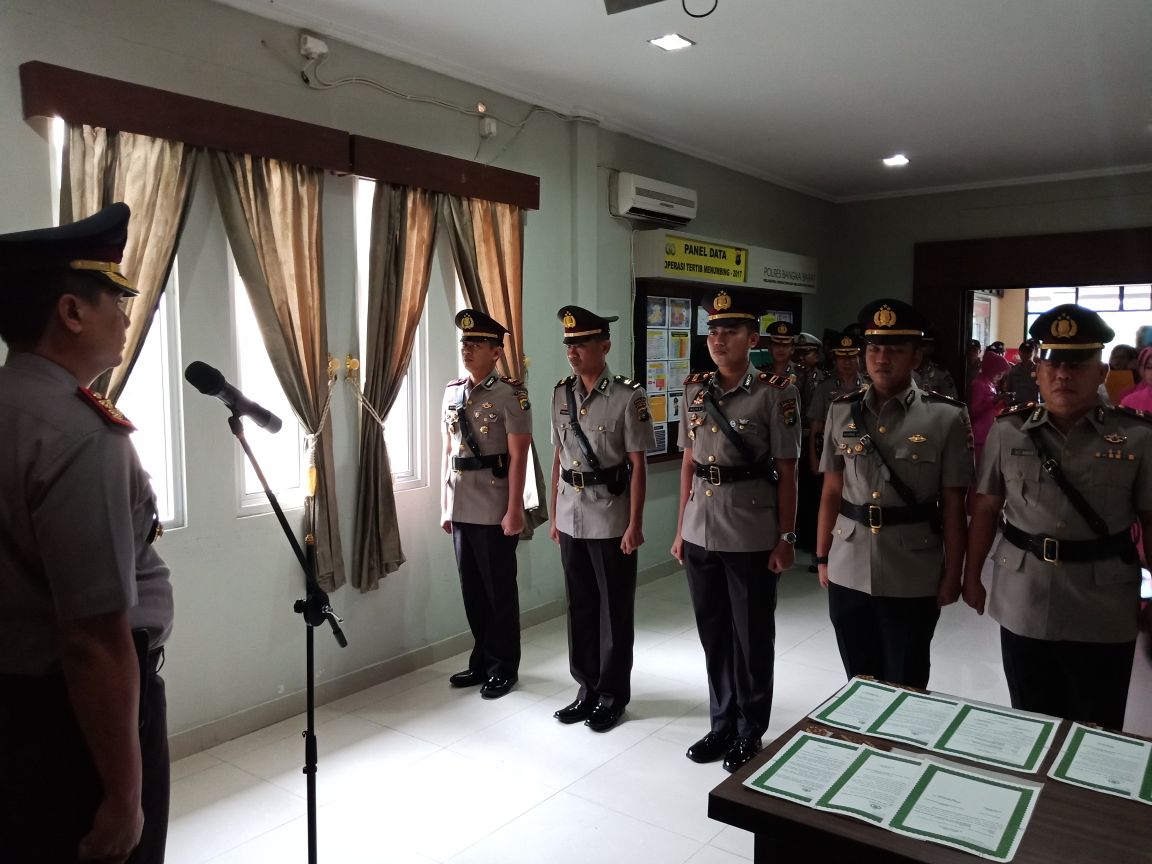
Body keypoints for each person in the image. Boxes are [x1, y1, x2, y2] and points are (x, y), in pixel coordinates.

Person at [0, 203, 173, 864]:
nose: (127, 316)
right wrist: (124, 797)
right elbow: (93, 639)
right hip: (75, 725)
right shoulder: (80, 435)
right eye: (117, 299)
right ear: (71, 312)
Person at [964, 305, 1152, 729]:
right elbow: (987, 507)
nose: (1063, 374)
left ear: (1101, 371)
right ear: (1038, 371)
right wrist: (971, 576)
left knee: (1097, 729)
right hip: (1024, 598)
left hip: (1104, 606)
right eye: (1053, 364)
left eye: (1077, 364)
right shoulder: (1008, 431)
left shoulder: (1138, 437)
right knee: (1031, 721)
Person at [671, 290, 800, 772]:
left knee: (751, 636)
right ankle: (721, 722)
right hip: (700, 528)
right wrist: (681, 528)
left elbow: (788, 471)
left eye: (730, 331)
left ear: (752, 339)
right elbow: (689, 463)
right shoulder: (695, 389)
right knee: (714, 633)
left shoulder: (775, 392)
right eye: (713, 332)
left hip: (750, 531)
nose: (719, 340)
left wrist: (786, 537)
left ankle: (750, 728)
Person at [815, 299, 973, 689]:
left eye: (894, 349)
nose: (881, 358)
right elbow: (832, 490)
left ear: (916, 356)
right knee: (857, 679)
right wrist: (822, 556)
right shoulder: (841, 411)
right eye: (874, 348)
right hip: (849, 562)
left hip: (913, 569)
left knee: (907, 678)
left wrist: (954, 572)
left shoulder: (946, 417)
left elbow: (954, 505)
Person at [549, 306, 653, 732]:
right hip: (570, 514)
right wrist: (554, 516)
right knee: (579, 605)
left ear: (604, 346)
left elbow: (638, 465)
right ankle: (586, 687)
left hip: (610, 517)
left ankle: (612, 694)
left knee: (613, 609)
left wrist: (635, 523)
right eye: (568, 344)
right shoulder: (561, 393)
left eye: (581, 343)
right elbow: (558, 456)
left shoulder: (629, 396)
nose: (572, 352)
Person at [441, 309, 532, 699]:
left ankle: (503, 667)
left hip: (495, 507)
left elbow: (519, 456)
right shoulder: (452, 392)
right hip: (461, 505)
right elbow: (447, 452)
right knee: (473, 591)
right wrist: (444, 505)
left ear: (496, 352)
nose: (467, 349)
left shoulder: (510, 394)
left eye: (476, 344)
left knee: (499, 592)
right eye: (465, 343)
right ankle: (481, 660)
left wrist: (515, 509)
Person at [793, 332, 827, 558]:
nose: (803, 357)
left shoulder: (824, 379)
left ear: (817, 354)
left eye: (808, 352)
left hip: (815, 441)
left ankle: (815, 540)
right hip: (792, 440)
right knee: (797, 490)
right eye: (799, 353)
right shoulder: (790, 377)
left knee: (816, 492)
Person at [969, 349, 1012, 471]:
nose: (999, 377)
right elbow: (974, 410)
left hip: (989, 433)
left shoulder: (990, 385)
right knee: (981, 470)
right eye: (998, 374)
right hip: (981, 434)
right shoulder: (978, 384)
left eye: (1001, 374)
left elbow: (992, 409)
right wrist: (995, 399)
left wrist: (1003, 402)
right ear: (990, 370)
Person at [912, 332, 958, 399]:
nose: (919, 349)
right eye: (916, 346)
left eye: (923, 345)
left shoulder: (940, 374)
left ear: (931, 348)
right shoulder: (905, 371)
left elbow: (951, 400)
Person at [1003, 340, 1039, 406]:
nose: (1026, 354)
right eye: (1023, 352)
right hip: (1017, 406)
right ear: (1019, 352)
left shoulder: (1039, 370)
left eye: (1029, 352)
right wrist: (1009, 403)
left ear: (1034, 353)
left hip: (1034, 406)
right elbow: (1008, 389)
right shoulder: (1013, 370)